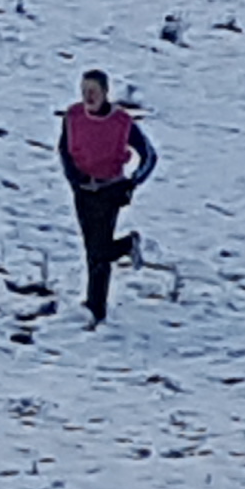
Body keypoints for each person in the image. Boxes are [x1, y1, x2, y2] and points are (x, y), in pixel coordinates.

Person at [56, 71, 158, 329]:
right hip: (82, 190)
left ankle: (96, 308)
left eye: (93, 90)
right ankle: (96, 303)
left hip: (110, 190)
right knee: (93, 251)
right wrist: (74, 177)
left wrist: (131, 183)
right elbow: (64, 150)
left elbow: (148, 155)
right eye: (83, 90)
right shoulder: (73, 116)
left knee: (98, 252)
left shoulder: (121, 122)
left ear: (105, 92)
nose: (88, 96)